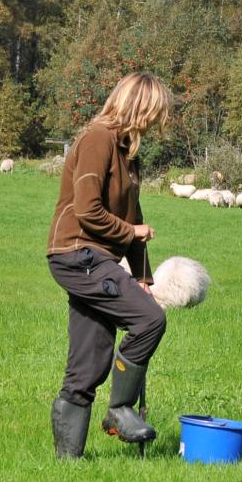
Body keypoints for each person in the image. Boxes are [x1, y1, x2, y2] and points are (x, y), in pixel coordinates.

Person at [46, 72, 172, 459]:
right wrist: (132, 232)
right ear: (138, 107)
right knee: (150, 320)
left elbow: (135, 218)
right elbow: (87, 211)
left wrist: (143, 276)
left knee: (91, 360)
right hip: (77, 253)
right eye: (153, 114)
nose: (155, 123)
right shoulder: (98, 137)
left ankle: (67, 464)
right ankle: (119, 410)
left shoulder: (127, 152)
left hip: (96, 258)